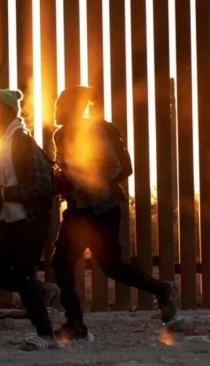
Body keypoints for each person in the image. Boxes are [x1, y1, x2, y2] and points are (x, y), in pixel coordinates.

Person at [50, 86, 179, 340]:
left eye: (60, 105)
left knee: (111, 267)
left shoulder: (94, 130)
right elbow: (65, 168)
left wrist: (80, 178)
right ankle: (75, 322)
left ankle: (162, 289)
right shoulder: (60, 135)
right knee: (61, 261)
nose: (56, 110)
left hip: (102, 208)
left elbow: (116, 167)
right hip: (78, 209)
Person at [0, 89, 58, 351]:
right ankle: (40, 291)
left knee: (23, 276)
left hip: (29, 222)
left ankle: (45, 334)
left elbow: (41, 185)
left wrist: (2, 193)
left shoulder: (22, 142)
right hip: (7, 221)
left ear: (7, 111)